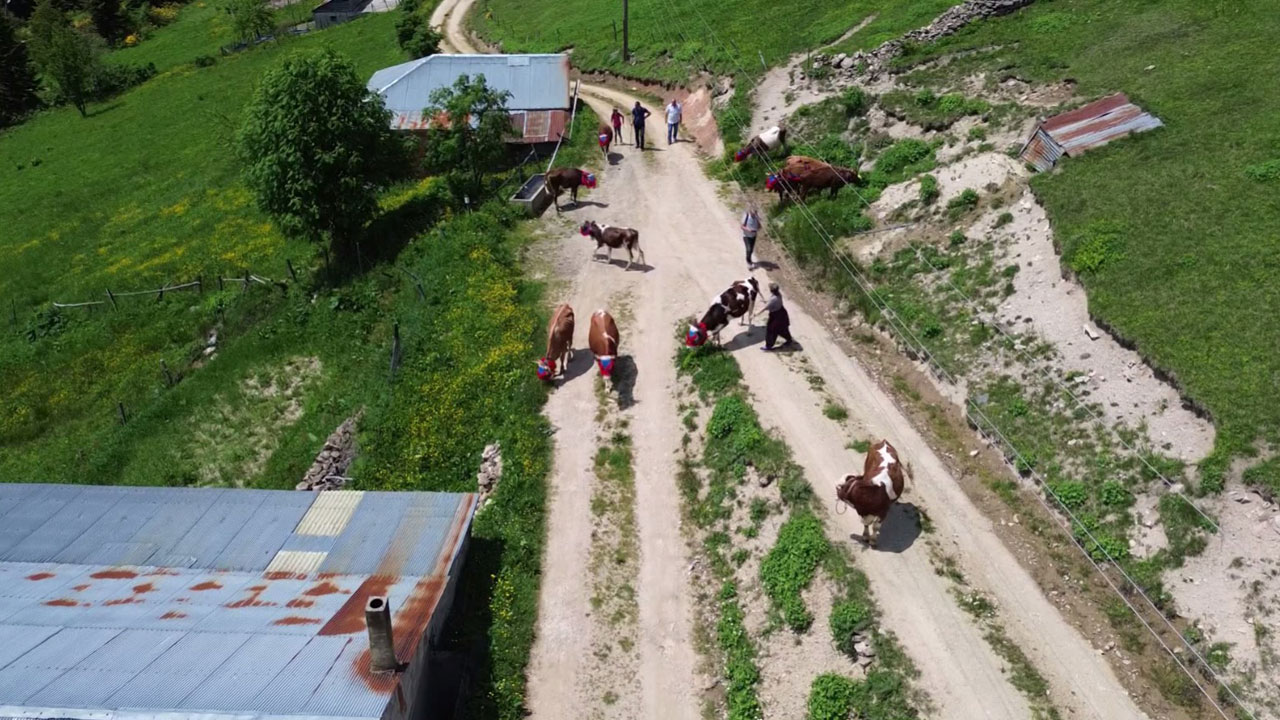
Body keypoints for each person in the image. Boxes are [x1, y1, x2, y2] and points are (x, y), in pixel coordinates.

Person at [761, 282, 794, 351]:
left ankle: (769, 346)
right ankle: (789, 339)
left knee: (771, 330)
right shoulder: (778, 295)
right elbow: (770, 303)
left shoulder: (774, 299)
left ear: (771, 290)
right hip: (782, 313)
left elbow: (765, 308)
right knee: (783, 328)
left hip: (776, 316)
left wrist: (756, 314)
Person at [741, 204, 761, 270]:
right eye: (753, 212)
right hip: (746, 236)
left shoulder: (756, 217)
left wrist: (757, 228)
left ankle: (749, 259)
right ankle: (749, 262)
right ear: (750, 211)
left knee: (751, 250)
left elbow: (759, 226)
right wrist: (748, 229)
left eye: (755, 212)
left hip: (753, 236)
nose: (754, 213)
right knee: (749, 249)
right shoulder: (746, 216)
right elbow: (742, 226)